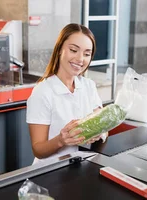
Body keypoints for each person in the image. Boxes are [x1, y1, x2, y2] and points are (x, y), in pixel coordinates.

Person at [26, 23, 105, 165]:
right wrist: (60, 140)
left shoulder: (89, 86)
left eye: (87, 54)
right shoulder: (43, 92)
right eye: (74, 50)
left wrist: (101, 133)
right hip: (49, 171)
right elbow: (38, 149)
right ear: (59, 50)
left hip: (82, 167)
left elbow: (103, 124)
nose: (80, 59)